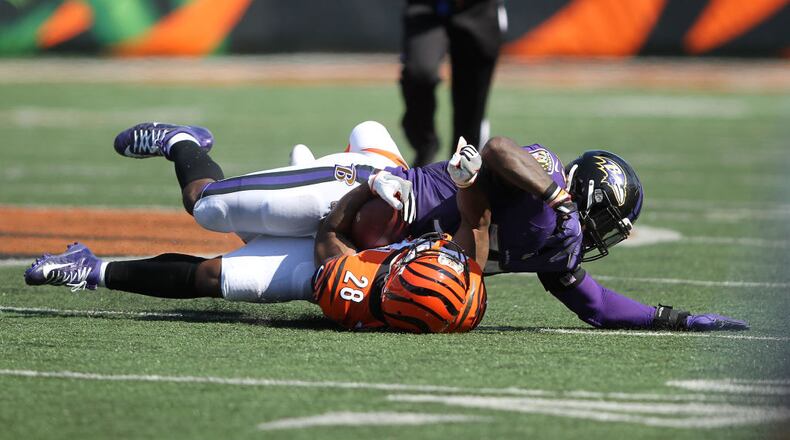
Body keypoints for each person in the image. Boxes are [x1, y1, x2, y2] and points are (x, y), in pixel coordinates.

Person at [23, 122, 485, 333]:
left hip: (348, 224)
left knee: (213, 278)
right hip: (366, 189)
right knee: (206, 208)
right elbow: (479, 210)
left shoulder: (362, 292)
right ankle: (182, 141)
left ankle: (89, 269)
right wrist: (371, 181)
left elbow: (329, 235)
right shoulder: (477, 239)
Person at [322, 136, 750, 331]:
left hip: (382, 254)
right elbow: (496, 150)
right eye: (604, 223)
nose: (600, 238)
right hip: (376, 196)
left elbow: (597, 306)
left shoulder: (557, 245)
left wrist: (672, 319)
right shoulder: (544, 182)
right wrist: (557, 198)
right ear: (586, 196)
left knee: (299, 278)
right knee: (268, 210)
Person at [400, 0, 505, 166]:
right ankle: (426, 143)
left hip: (477, 9)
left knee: (471, 100)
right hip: (427, 8)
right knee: (419, 72)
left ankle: (461, 168)